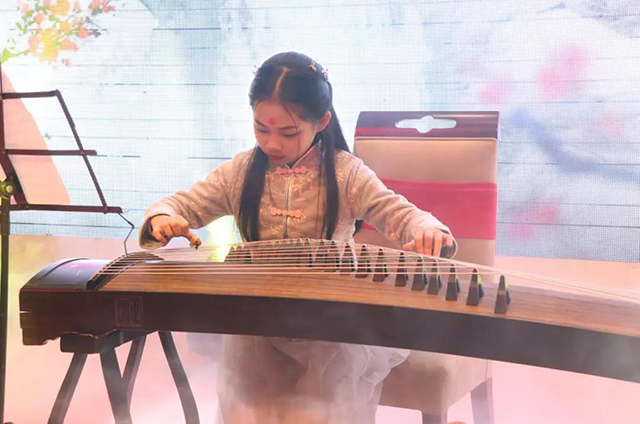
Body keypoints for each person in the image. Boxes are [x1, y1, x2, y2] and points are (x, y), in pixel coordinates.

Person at [139, 51, 456, 424]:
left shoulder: (346, 174)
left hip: (330, 330)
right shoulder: (241, 172)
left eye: (288, 132)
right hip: (257, 328)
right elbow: (179, 204)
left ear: (322, 121)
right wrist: (163, 219)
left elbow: (401, 215)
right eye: (261, 128)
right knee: (248, 415)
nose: (272, 144)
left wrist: (427, 231)